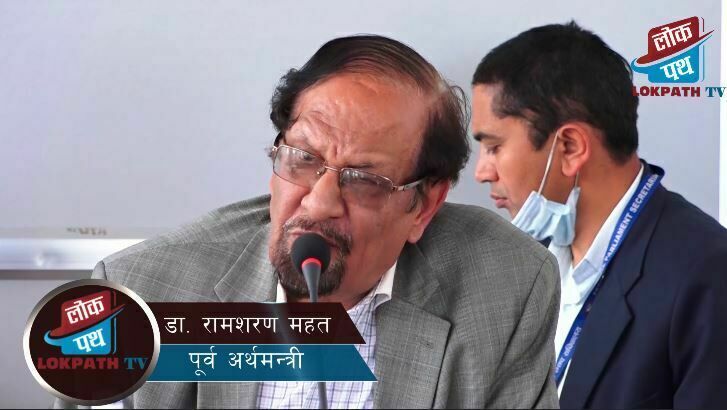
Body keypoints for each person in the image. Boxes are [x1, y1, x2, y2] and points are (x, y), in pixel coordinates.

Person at [55, 35, 560, 409]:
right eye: (302, 159)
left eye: (363, 179)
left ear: (423, 206)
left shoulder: (506, 287)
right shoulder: (137, 297)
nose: (318, 204)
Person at [471, 22, 727, 409]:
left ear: (570, 147)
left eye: (494, 147)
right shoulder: (518, 265)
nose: (481, 172)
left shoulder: (705, 274)